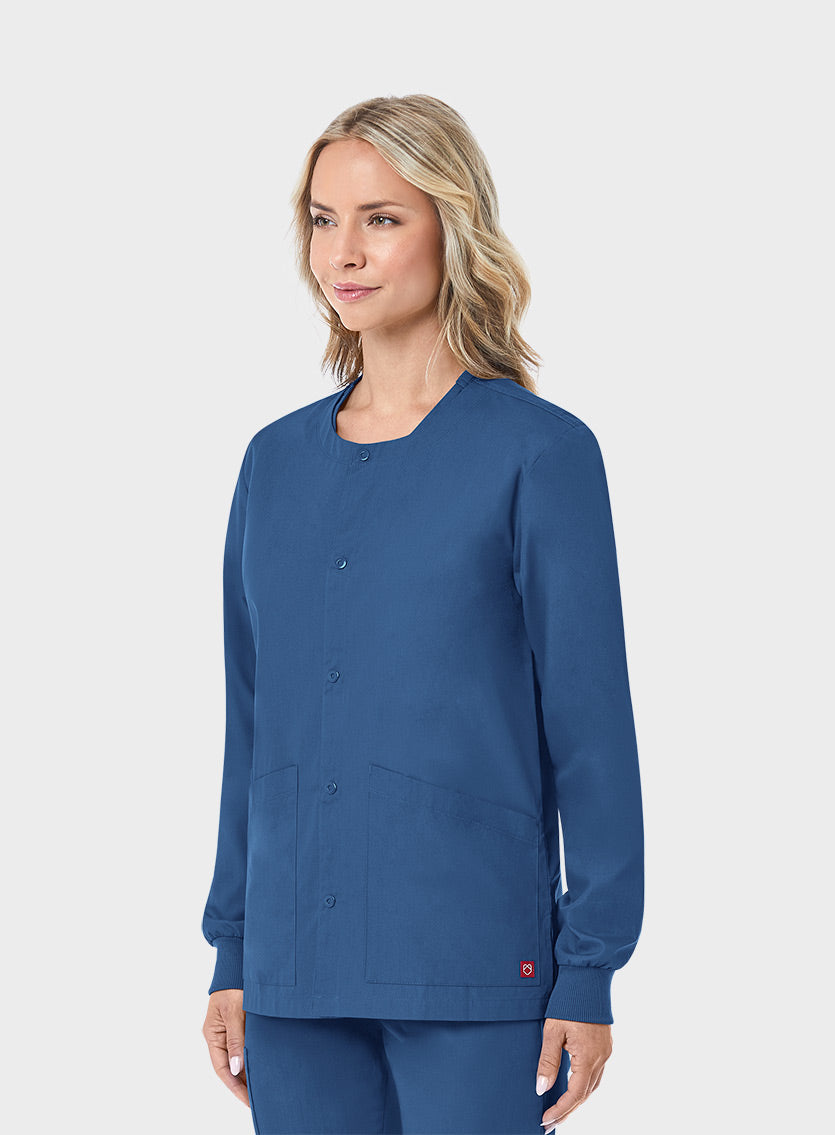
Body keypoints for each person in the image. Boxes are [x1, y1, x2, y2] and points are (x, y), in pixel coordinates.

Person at [200, 93, 644, 1135]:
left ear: (453, 227)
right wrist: (234, 948)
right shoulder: (272, 463)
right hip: (295, 977)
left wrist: (588, 966)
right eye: (323, 219)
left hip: (476, 966)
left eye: (382, 219)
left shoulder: (540, 453)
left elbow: (589, 731)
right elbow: (251, 724)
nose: (343, 253)